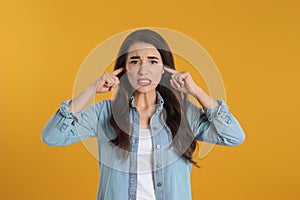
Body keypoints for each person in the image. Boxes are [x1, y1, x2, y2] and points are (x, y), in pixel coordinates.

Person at [41, 29, 245, 200]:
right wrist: (92, 89)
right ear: (124, 69)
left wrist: (197, 92)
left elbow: (234, 136)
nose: (143, 70)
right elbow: (52, 136)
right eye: (135, 61)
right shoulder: (104, 113)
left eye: (153, 61)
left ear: (164, 69)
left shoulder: (184, 115)